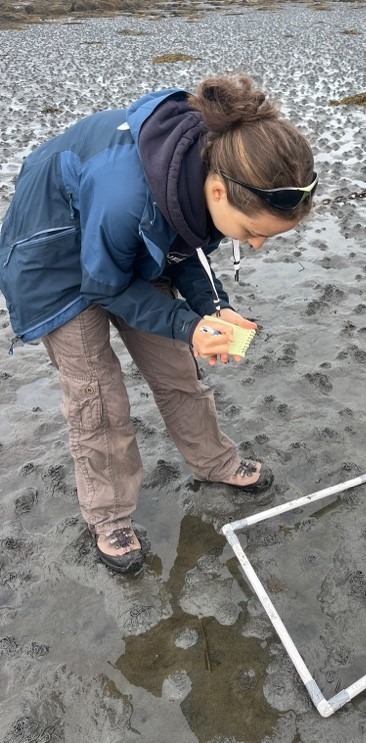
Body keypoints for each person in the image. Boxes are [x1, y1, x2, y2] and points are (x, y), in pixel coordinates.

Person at [0, 75, 317, 573]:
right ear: (217, 191)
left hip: (122, 237)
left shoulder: (213, 162)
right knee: (98, 397)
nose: (256, 246)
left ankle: (215, 462)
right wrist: (186, 324)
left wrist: (213, 308)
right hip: (54, 260)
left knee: (177, 369)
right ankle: (108, 515)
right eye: (254, 233)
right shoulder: (126, 193)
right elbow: (103, 287)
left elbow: (187, 243)